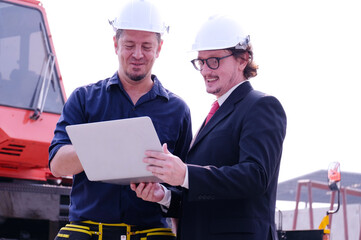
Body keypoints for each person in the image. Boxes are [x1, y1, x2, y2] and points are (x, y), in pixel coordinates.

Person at [131, 15, 287, 240]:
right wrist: (164, 195)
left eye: (214, 60)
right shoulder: (215, 115)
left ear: (243, 59)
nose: (205, 70)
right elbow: (205, 197)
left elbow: (255, 176)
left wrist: (185, 174)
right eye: (201, 62)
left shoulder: (261, 106)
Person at [48, 0, 192, 239]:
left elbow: (185, 189)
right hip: (86, 232)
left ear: (159, 48)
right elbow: (57, 165)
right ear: (115, 44)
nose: (137, 54)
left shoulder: (177, 110)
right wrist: (105, 145)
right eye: (129, 45)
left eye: (146, 46)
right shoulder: (84, 99)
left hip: (151, 232)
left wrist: (163, 192)